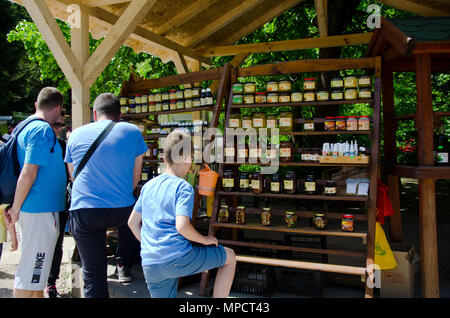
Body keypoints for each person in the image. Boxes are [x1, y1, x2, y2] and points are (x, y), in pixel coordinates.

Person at [128, 129, 236, 298]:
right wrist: (205, 240)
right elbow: (182, 226)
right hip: (176, 258)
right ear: (188, 160)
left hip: (150, 263)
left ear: (164, 158)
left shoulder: (148, 186)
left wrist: (151, 246)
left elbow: (132, 223)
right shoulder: (183, 187)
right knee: (229, 256)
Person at [65, 93, 147, 298]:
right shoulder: (132, 131)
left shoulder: (74, 134)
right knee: (133, 219)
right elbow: (136, 176)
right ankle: (124, 262)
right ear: (119, 115)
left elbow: (73, 176)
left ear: (94, 113)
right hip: (121, 208)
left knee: (93, 273)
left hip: (85, 210)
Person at [4, 87, 67, 298]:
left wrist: (16, 206)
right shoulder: (42, 130)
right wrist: (16, 207)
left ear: (36, 105)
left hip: (36, 208)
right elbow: (28, 172)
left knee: (34, 276)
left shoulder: (23, 127)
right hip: (40, 209)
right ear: (57, 108)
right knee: (30, 274)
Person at [46, 110, 70, 298]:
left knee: (57, 244)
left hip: (60, 204)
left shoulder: (64, 146)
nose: (59, 129)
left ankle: (51, 283)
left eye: (61, 125)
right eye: (56, 124)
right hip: (39, 206)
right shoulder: (38, 142)